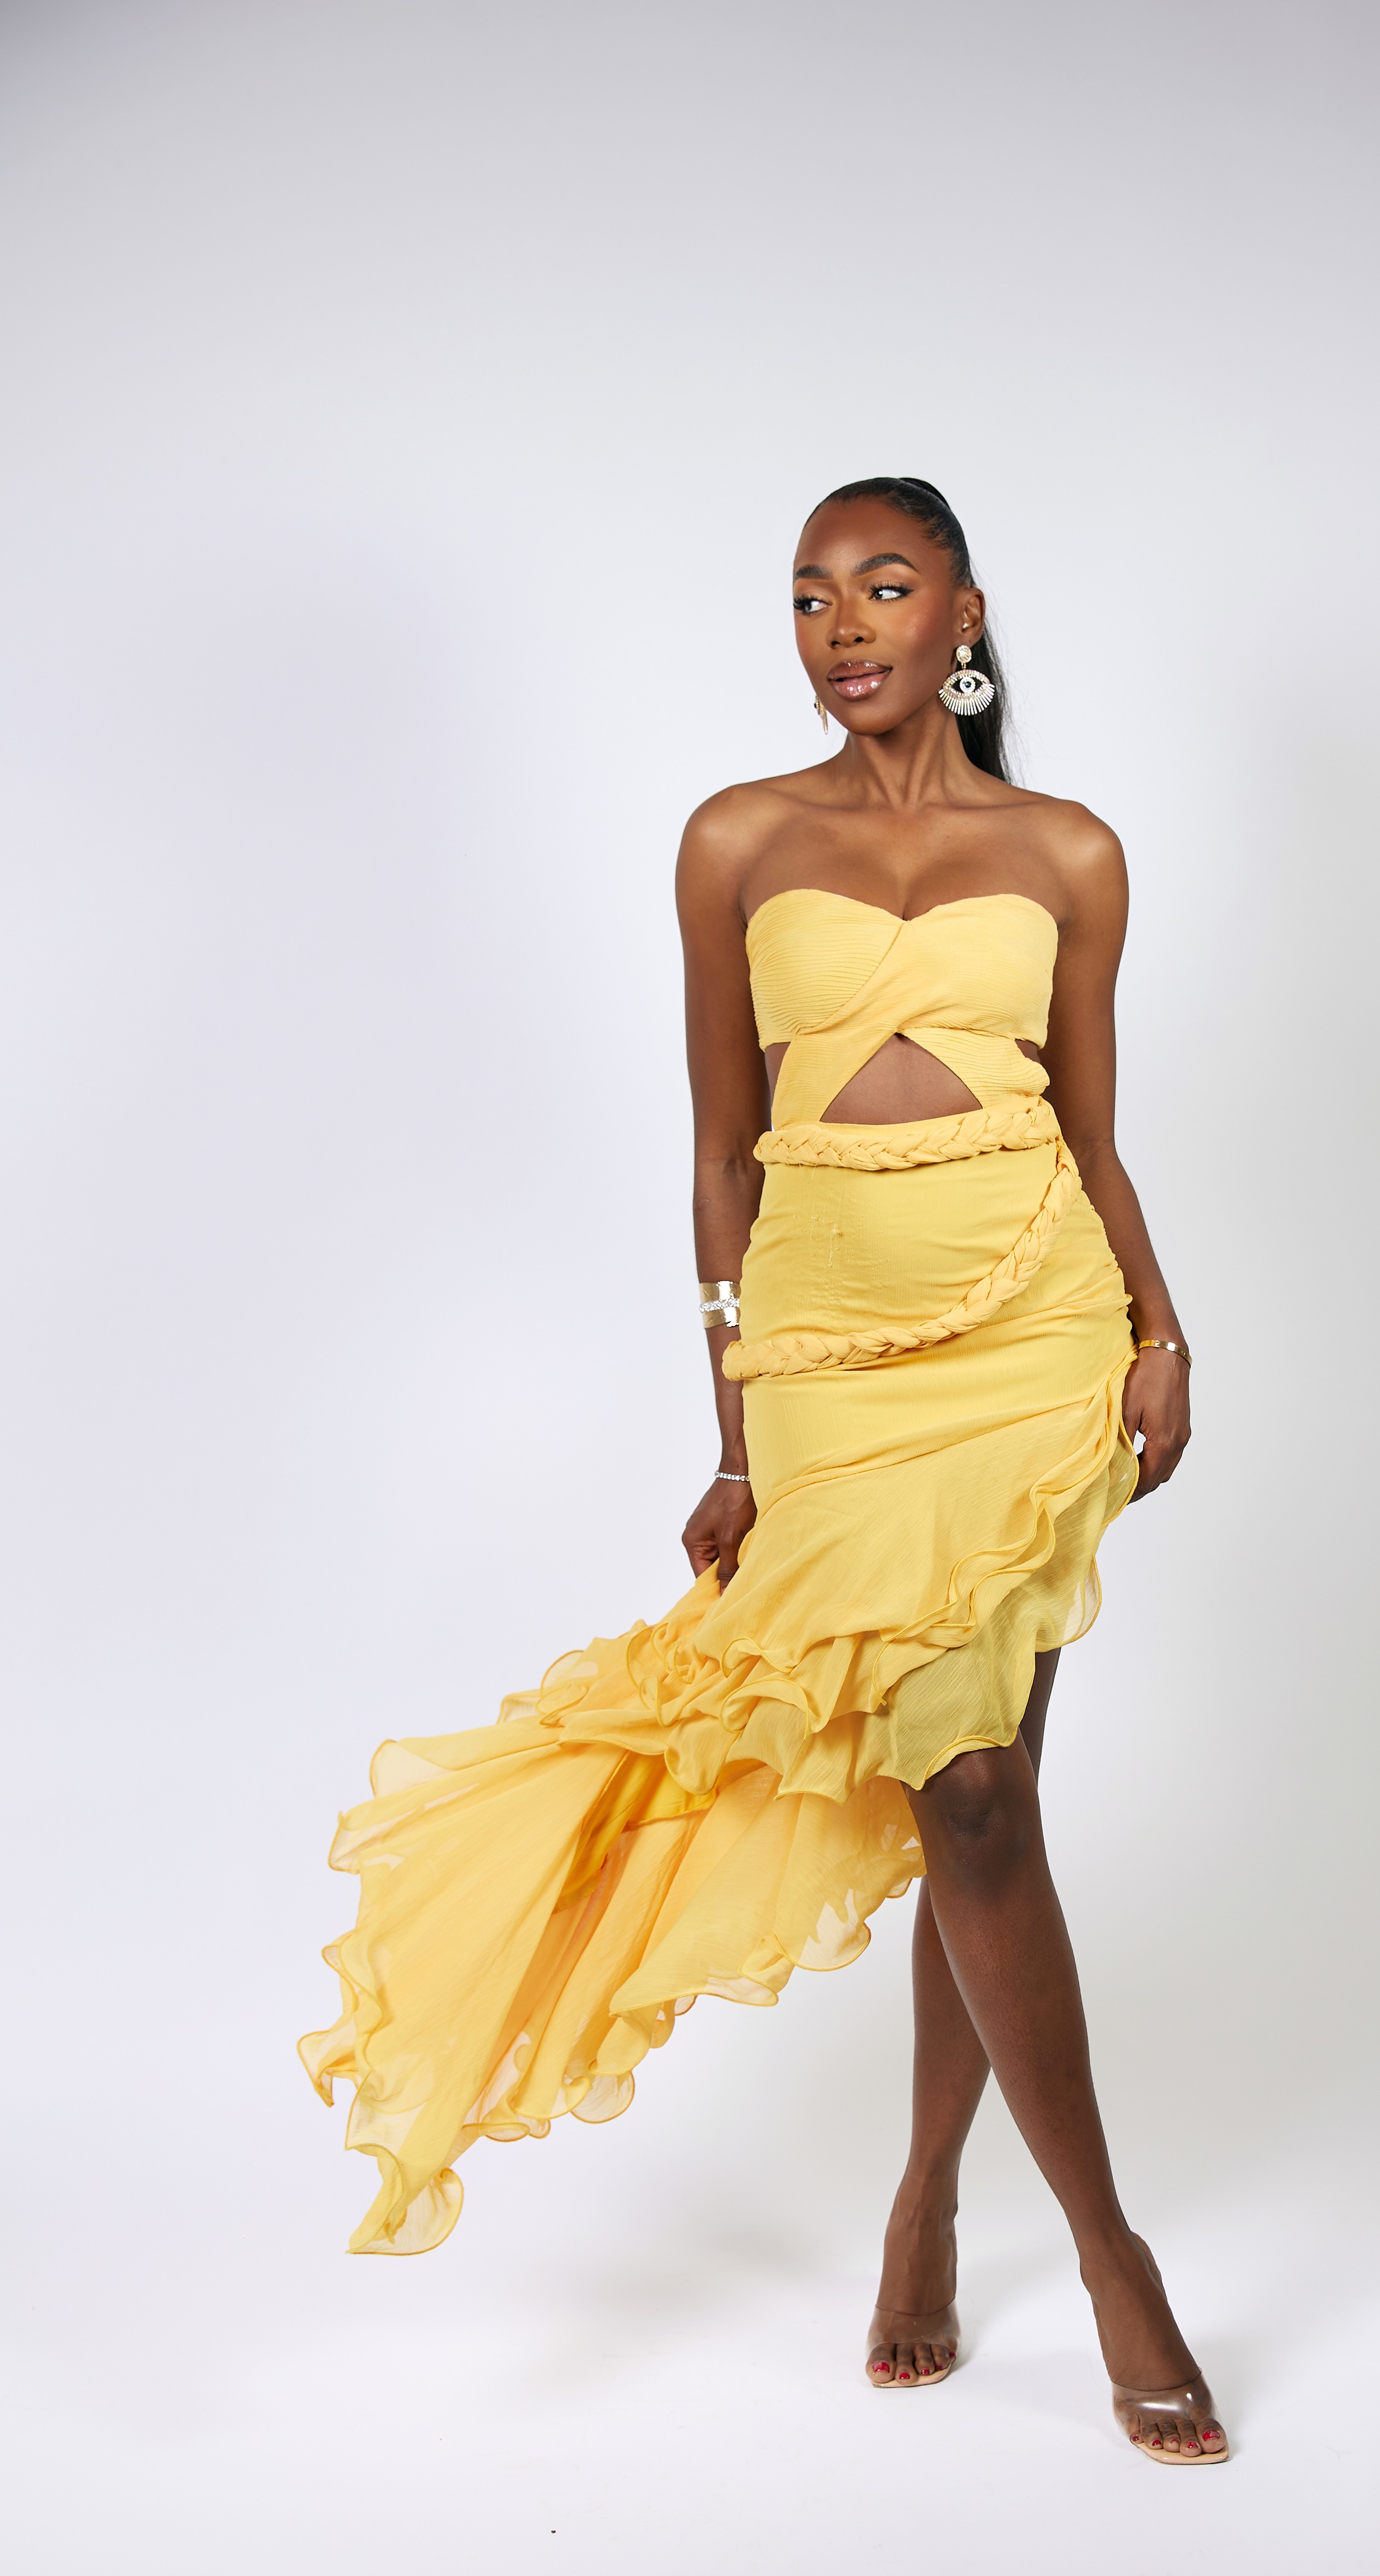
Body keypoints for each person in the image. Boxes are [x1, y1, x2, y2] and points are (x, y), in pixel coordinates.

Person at [301, 476, 1227, 2466]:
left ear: (962, 612)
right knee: (963, 1791)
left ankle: (993, 2220)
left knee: (977, 1796)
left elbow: (1092, 1133)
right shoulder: (735, 839)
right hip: (819, 1360)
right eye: (810, 596)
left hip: (1029, 1334)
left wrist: (1158, 1333)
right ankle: (1047, 2230)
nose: (843, 625)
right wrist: (734, 1434)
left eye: (883, 586)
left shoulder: (1068, 852)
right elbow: (720, 1161)